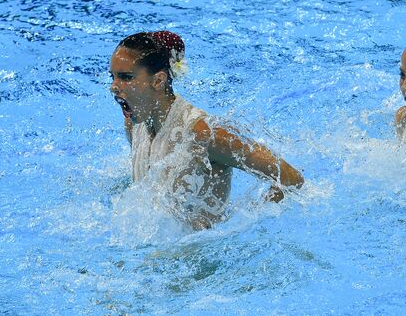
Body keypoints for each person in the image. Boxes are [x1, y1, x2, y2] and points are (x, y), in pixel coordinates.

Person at [109, 31, 304, 230]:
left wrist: (244, 224)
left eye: (126, 77)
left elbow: (290, 178)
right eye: (113, 77)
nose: (113, 87)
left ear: (158, 80)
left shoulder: (205, 133)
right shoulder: (134, 124)